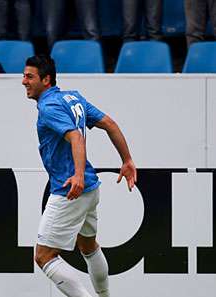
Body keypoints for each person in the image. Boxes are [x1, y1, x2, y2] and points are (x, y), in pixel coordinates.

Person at [22, 54, 137, 297]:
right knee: (88, 246)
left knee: (44, 257)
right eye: (24, 76)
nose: (24, 81)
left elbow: (75, 136)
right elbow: (110, 124)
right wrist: (126, 160)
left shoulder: (48, 106)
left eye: (29, 76)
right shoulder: (72, 96)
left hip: (70, 190)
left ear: (46, 79)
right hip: (90, 188)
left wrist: (77, 176)